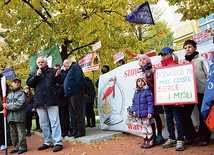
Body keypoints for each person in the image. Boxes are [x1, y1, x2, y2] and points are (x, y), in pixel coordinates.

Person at [26, 56, 64, 152]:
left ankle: (58, 142)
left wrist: (58, 76)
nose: (40, 64)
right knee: (44, 124)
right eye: (38, 62)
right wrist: (37, 76)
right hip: (39, 101)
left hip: (51, 100)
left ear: (46, 63)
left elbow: (61, 81)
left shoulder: (52, 71)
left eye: (42, 62)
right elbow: (29, 83)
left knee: (54, 123)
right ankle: (47, 142)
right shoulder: (34, 73)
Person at [182, 39, 211, 146]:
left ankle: (204, 138)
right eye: (185, 48)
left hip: (202, 91)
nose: (187, 49)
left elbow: (209, 74)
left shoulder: (202, 59)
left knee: (203, 114)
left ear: (195, 47)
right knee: (184, 114)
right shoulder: (183, 62)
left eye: (189, 47)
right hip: (189, 93)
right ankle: (192, 136)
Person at [158, 47, 185, 151]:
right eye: (161, 55)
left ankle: (180, 139)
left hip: (175, 98)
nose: (163, 56)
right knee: (168, 117)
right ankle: (172, 138)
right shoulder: (160, 69)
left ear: (170, 54)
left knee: (177, 117)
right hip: (166, 98)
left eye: (164, 54)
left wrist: (180, 99)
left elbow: (182, 83)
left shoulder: (176, 66)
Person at [137, 54, 164, 145]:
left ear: (148, 60)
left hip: (154, 96)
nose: (142, 61)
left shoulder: (153, 70)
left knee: (156, 116)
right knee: (149, 118)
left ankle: (159, 135)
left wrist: (155, 73)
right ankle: (152, 136)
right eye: (140, 60)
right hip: (145, 98)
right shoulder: (139, 72)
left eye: (144, 59)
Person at [2, 77, 28, 154]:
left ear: (20, 84)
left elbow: (19, 104)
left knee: (21, 133)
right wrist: (4, 108)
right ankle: (16, 147)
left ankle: (22, 147)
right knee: (13, 133)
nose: (16, 83)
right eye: (15, 82)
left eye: (18, 82)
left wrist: (8, 106)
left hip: (19, 117)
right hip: (11, 117)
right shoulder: (9, 95)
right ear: (12, 83)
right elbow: (5, 104)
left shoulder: (22, 93)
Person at [63, 58, 87, 138]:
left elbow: (80, 78)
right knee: (73, 114)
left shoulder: (75, 67)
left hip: (76, 93)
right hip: (70, 94)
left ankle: (81, 130)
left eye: (64, 65)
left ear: (67, 63)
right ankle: (75, 130)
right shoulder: (70, 70)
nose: (64, 66)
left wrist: (83, 90)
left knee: (78, 112)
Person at [131, 77, 155, 149]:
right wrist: (134, 111)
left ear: (144, 82)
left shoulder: (147, 91)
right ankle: (145, 140)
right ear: (136, 83)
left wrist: (150, 112)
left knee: (148, 126)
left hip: (146, 113)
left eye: (142, 81)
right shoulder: (136, 92)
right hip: (139, 113)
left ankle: (150, 140)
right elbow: (134, 102)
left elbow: (150, 102)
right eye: (138, 81)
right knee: (143, 126)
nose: (140, 83)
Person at [53, 64, 70, 137]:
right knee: (58, 117)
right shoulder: (53, 77)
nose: (56, 71)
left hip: (62, 100)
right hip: (56, 101)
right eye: (55, 70)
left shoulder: (63, 75)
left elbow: (63, 86)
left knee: (64, 116)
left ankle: (65, 130)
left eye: (57, 69)